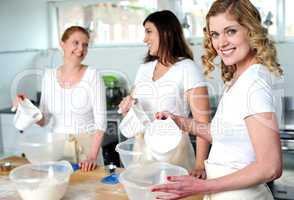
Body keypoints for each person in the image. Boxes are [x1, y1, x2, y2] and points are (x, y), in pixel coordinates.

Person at [152, 0, 283, 199]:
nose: (220, 43)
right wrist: (180, 121)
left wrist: (202, 186)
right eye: (215, 34)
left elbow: (270, 167)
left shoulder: (254, 84)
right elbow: (228, 138)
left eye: (230, 31)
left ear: (251, 30)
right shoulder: (242, 77)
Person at [119, 10, 210, 175]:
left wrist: (200, 166)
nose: (144, 39)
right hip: (142, 154)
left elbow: (202, 123)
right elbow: (136, 115)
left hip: (175, 155)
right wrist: (128, 109)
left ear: (165, 33)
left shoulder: (187, 68)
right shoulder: (144, 69)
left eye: (148, 31)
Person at [15, 26, 106, 172]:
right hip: (57, 149)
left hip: (87, 152)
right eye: (75, 43)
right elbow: (43, 120)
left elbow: (101, 124)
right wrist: (25, 106)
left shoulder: (93, 75)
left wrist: (92, 157)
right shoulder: (49, 76)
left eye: (85, 45)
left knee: (88, 193)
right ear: (62, 44)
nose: (80, 49)